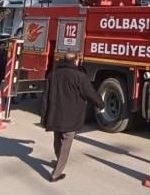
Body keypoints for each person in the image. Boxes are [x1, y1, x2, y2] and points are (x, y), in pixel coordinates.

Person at [40, 52, 104, 182]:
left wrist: (44, 116)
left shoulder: (53, 75)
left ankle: (59, 161)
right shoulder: (79, 76)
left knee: (58, 139)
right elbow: (89, 92)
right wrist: (100, 104)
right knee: (66, 143)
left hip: (55, 114)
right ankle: (56, 173)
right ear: (76, 61)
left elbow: (45, 97)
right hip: (71, 115)